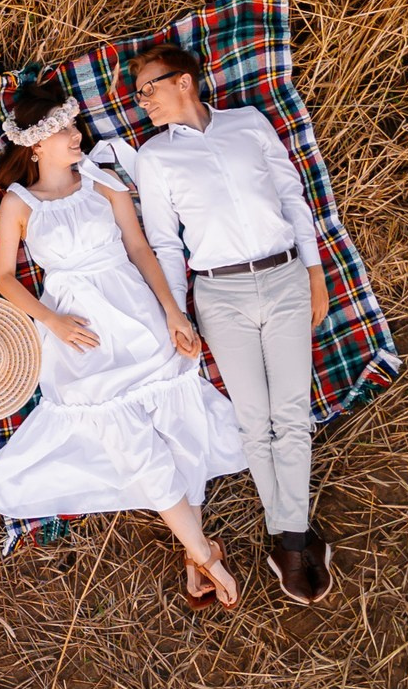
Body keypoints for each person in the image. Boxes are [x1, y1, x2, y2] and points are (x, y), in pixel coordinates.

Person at [0, 78, 249, 608]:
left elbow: (141, 250)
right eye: (64, 130)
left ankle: (199, 551)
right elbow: (6, 278)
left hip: (135, 313)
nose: (78, 136)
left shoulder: (103, 183)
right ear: (36, 143)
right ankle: (202, 551)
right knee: (125, 435)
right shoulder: (19, 202)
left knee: (177, 428)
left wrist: (174, 314)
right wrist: (51, 321)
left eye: (76, 125)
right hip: (78, 331)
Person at [129, 42, 336, 604]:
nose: (143, 100)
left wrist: (316, 273)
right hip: (219, 294)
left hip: (286, 276)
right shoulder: (155, 157)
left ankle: (286, 539)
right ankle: (293, 538)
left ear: (185, 81)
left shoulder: (248, 123)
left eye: (151, 88)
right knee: (255, 420)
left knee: (291, 413)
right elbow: (166, 243)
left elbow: (293, 196)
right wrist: (177, 311)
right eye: (139, 92)